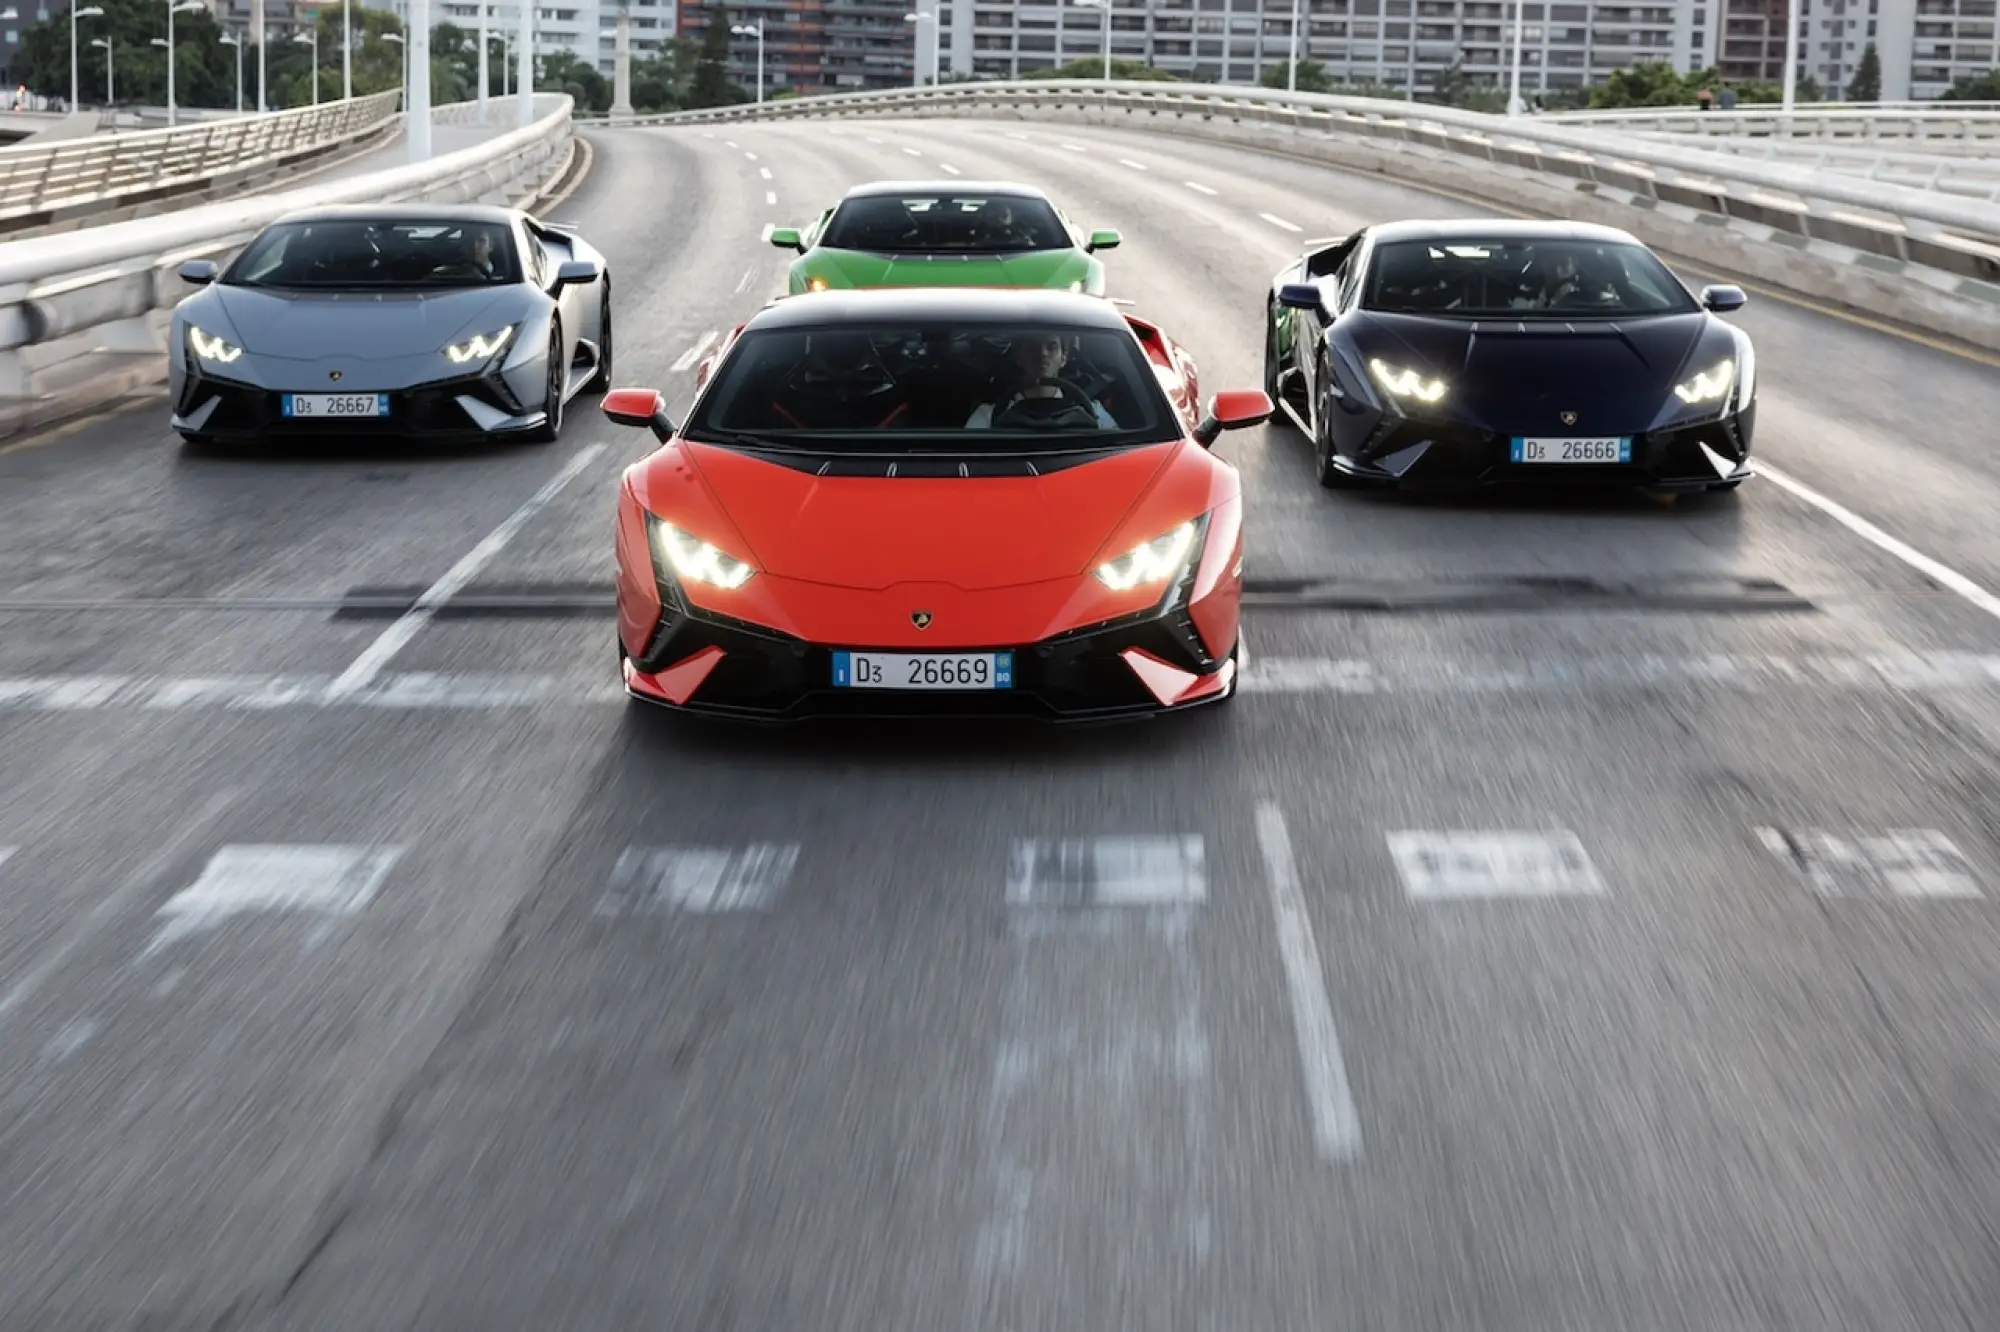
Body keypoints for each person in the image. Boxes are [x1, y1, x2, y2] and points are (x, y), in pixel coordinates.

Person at [966, 333, 1116, 428]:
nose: (1042, 353)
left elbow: (1118, 450)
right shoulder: (988, 416)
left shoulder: (1092, 411)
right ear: (1019, 357)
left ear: (1063, 358)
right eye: (1033, 347)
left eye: (1051, 347)